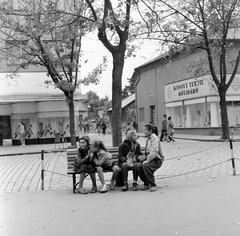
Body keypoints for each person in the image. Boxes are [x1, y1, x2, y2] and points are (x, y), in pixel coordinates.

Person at [137, 123, 165, 192]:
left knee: (146, 165)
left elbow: (154, 151)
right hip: (151, 158)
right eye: (143, 130)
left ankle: (153, 184)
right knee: (138, 166)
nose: (144, 132)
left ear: (150, 130)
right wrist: (143, 158)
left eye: (145, 130)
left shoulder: (154, 138)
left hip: (156, 160)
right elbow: (148, 152)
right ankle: (146, 183)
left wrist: (147, 160)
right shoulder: (148, 139)